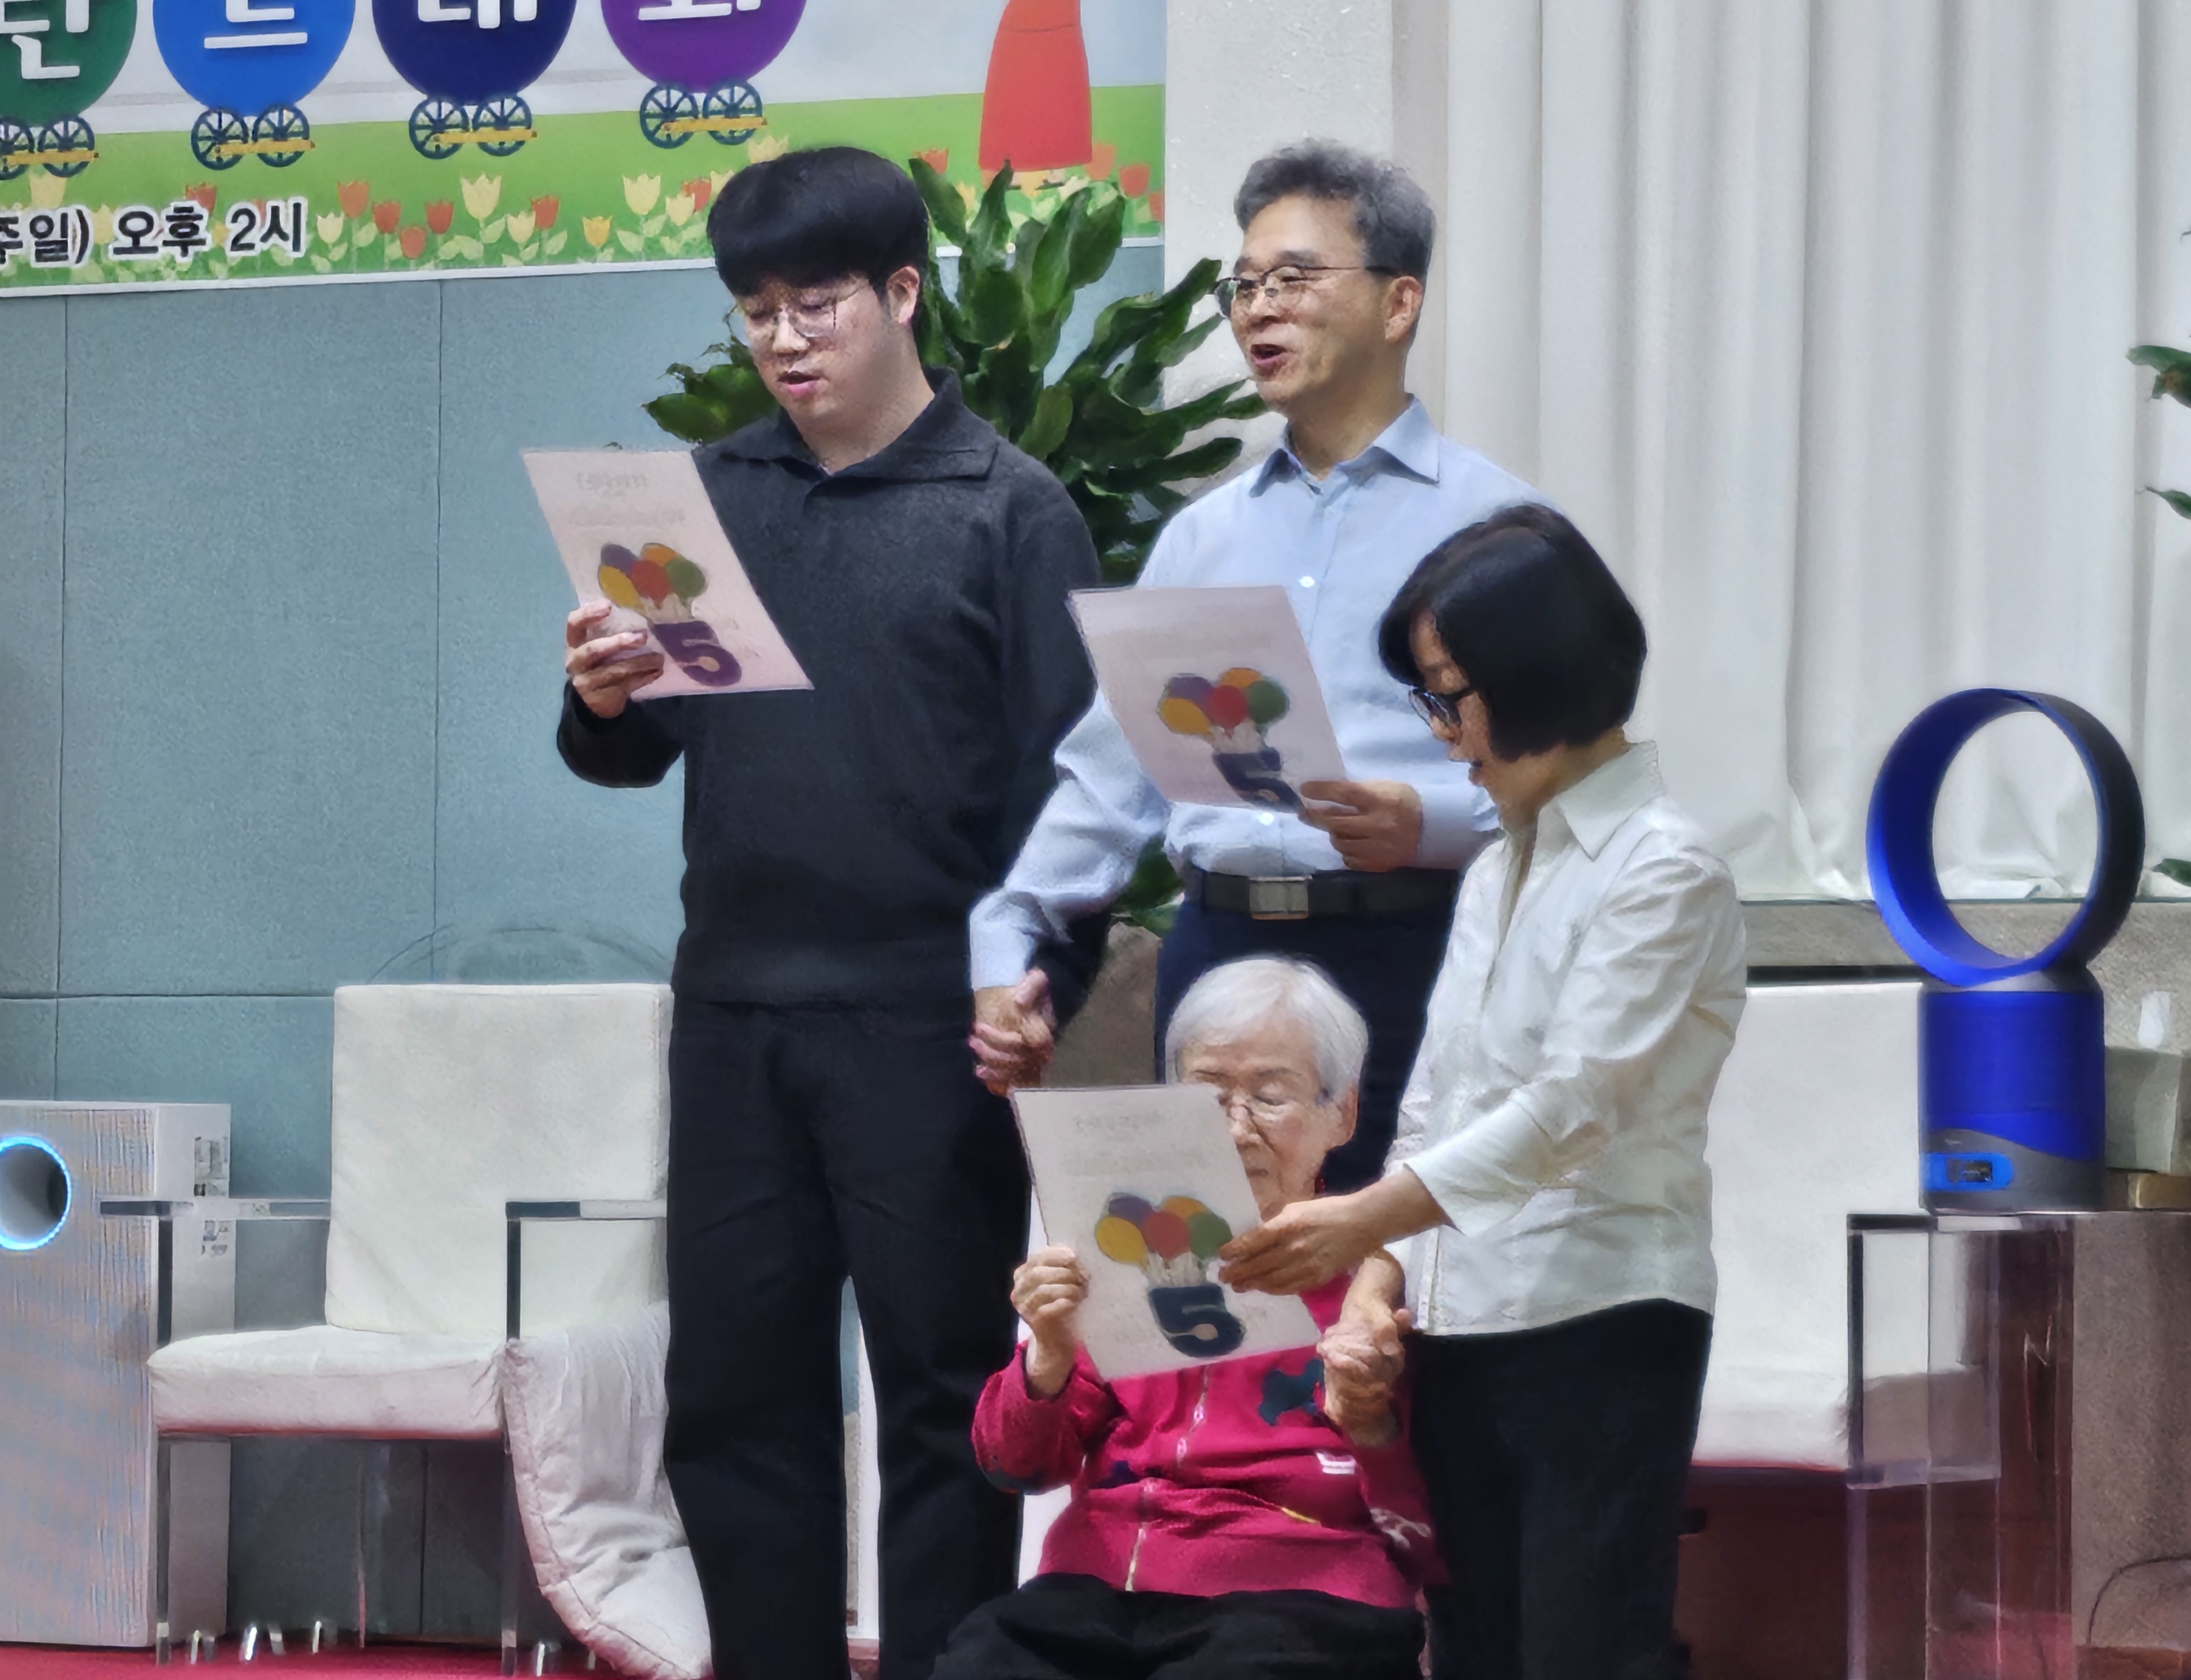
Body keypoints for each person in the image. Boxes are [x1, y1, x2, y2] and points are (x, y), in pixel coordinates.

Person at [555, 146, 1101, 1680]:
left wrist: (1036, 982)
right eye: (757, 312)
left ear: (903, 291)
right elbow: (632, 749)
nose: (784, 340)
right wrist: (601, 695)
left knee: (942, 1398)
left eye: (818, 304)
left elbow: (1075, 794)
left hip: (929, 1026)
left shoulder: (1012, 510)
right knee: (736, 1401)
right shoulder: (707, 503)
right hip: (734, 1016)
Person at [1219, 504, 1748, 1679]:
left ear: (1536, 674)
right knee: (1469, 1654)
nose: (1441, 732)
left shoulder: (1662, 867)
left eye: (1449, 696)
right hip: (1455, 1325)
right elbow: (1435, 1105)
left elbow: (1571, 1111)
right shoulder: (1500, 863)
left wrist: (1360, 1219)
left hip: (1599, 1315)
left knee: (1581, 1653)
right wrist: (1373, 1286)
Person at [968, 140, 1550, 1192]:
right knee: (1224, 1281)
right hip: (1218, 957)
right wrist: (1012, 927)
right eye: (1244, 286)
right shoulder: (1201, 538)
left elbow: (1568, 782)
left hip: (1413, 951)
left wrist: (1426, 823)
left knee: (1403, 1278)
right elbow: (1113, 778)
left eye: (1294, 279)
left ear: (1399, 302)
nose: (1258, 311)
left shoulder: (1501, 527)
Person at [933, 956, 1438, 1680]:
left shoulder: (1381, 1276)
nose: (1234, 1128)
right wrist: (1046, 1356)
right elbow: (1013, 1466)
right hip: (1101, 1587)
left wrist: (1372, 1425)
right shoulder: (1124, 1247)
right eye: (1207, 1095)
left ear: (1343, 1113)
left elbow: (1435, 1533)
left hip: (1302, 1589)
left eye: (1269, 1097)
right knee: (979, 1663)